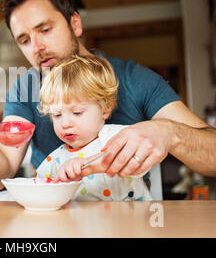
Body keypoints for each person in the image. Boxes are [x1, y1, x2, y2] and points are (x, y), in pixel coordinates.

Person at [0, 0, 216, 191]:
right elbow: (1, 175)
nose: (37, 47)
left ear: (75, 24)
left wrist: (169, 132)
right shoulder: (24, 88)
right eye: (25, 40)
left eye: (45, 29)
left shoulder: (136, 79)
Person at [36, 55, 151, 201]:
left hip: (131, 218)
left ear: (105, 108)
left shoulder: (115, 136)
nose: (65, 123)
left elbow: (138, 158)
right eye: (57, 115)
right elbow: (39, 188)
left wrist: (87, 163)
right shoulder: (55, 159)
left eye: (77, 112)